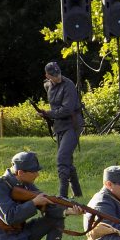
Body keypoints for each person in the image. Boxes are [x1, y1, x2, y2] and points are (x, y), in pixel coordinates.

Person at [0, 152, 81, 240]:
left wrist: (68, 211)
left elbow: (47, 204)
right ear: (21, 172)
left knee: (55, 219)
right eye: (34, 171)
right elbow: (9, 217)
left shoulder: (26, 184)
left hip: (22, 232)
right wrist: (34, 203)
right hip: (4, 237)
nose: (37, 174)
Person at [40, 61, 84, 198]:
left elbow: (67, 110)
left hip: (72, 124)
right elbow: (55, 107)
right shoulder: (47, 85)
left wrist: (48, 113)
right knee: (67, 160)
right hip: (60, 126)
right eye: (54, 75)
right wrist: (45, 114)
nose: (57, 77)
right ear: (47, 76)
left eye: (58, 73)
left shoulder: (69, 85)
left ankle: (62, 196)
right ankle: (78, 194)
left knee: (62, 158)